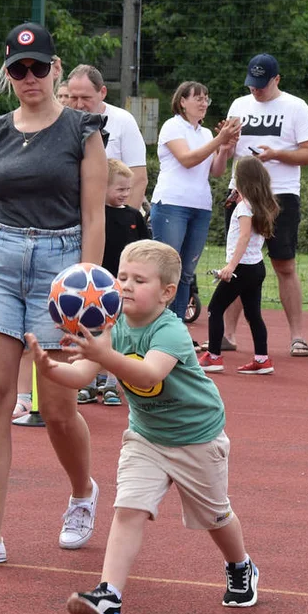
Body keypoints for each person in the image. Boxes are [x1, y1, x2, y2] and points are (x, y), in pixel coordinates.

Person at [26, 240, 259, 614]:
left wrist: (104, 356)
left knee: (215, 517)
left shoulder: (171, 331)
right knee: (128, 509)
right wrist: (48, 368)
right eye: (121, 277)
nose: (127, 286)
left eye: (139, 280)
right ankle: (108, 598)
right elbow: (81, 375)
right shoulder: (110, 327)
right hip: (146, 437)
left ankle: (241, 566)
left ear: (167, 293)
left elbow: (149, 374)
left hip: (197, 439)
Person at [0, 22, 107, 570]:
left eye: (38, 67)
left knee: (59, 407)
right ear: (8, 74)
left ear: (55, 68)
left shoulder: (84, 131)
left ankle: (83, 490)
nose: (29, 77)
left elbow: (94, 217)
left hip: (61, 270)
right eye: (18, 69)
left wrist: (89, 294)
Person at [214, 54, 308, 357]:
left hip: (280, 194)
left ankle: (297, 336)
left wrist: (276, 155)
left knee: (284, 265)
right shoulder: (239, 105)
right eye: (252, 85)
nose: (256, 91)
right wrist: (227, 144)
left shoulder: (297, 107)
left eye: (261, 85)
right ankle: (228, 335)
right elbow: (229, 149)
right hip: (241, 194)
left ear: (277, 79)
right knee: (237, 262)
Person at [150, 81, 240, 321]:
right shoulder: (172, 126)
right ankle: (157, 324)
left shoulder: (206, 133)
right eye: (198, 98)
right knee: (168, 269)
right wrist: (220, 140)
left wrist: (225, 148)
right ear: (182, 101)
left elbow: (217, 171)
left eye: (206, 99)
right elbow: (187, 159)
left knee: (186, 273)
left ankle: (176, 326)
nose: (204, 103)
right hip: (171, 204)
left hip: (200, 206)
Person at [78, 158, 149, 406]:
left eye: (128, 189)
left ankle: (110, 384)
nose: (125, 194)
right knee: (91, 332)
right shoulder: (91, 214)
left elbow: (145, 247)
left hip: (121, 289)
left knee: (115, 334)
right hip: (94, 287)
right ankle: (87, 383)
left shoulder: (133, 216)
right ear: (103, 187)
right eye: (120, 189)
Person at [198, 156, 278, 375]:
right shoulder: (261, 205)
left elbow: (243, 237)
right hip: (256, 268)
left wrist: (230, 267)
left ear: (241, 181)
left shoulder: (244, 208)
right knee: (253, 314)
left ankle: (213, 356)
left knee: (215, 308)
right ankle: (262, 359)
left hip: (241, 269)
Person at [65, 64, 149, 210]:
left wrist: (126, 222)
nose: (79, 104)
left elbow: (139, 178)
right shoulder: (62, 122)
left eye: (86, 98)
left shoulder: (123, 121)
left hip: (112, 213)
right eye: (73, 97)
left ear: (102, 92)